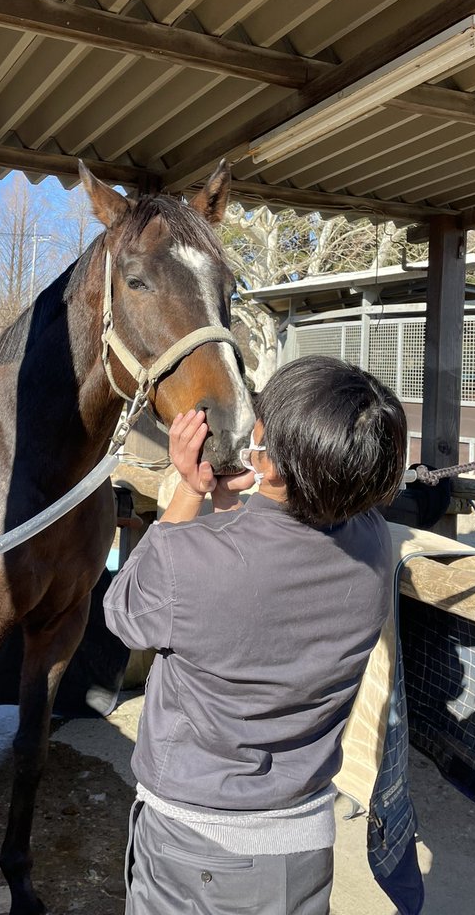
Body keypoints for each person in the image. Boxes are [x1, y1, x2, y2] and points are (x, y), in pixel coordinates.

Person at [103, 355, 408, 915]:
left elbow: (124, 611)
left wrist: (187, 494)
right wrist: (235, 502)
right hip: (304, 839)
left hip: (193, 848)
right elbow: (259, 573)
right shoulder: (371, 543)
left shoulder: (185, 561)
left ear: (270, 457)